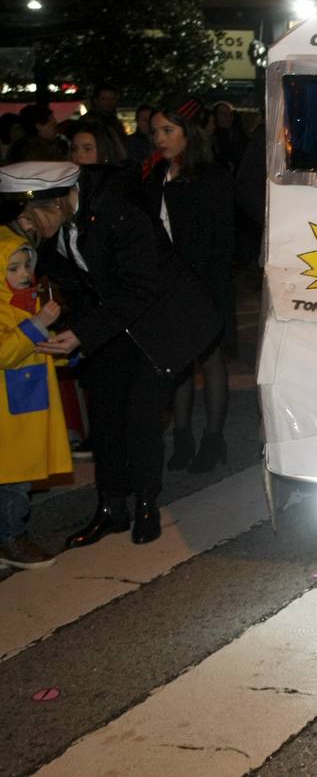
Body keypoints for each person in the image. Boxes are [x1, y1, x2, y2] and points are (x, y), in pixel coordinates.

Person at [2, 160, 218, 548]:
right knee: (104, 415)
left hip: (158, 321)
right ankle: (111, 507)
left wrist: (81, 333)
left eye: (32, 219)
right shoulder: (56, 228)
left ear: (54, 204)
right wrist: (70, 331)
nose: (30, 229)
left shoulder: (120, 206)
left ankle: (147, 503)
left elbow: (139, 287)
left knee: (140, 415)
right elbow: (78, 287)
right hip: (110, 322)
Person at [147, 99, 235, 473]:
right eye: (155, 131)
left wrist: (205, 288)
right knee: (177, 364)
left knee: (210, 361)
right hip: (166, 287)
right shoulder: (155, 175)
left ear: (188, 131)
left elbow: (221, 239)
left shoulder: (211, 176)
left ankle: (214, 440)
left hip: (205, 284)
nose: (160, 138)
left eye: (168, 130)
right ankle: (182, 438)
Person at [0, 226, 71, 568]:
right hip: (8, 415)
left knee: (18, 477)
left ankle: (8, 536)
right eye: (12, 268)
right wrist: (38, 324)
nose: (24, 274)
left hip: (25, 406)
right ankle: (11, 539)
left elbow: (37, 347)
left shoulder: (24, 302)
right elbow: (5, 352)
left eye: (26, 265)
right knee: (12, 480)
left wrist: (66, 350)